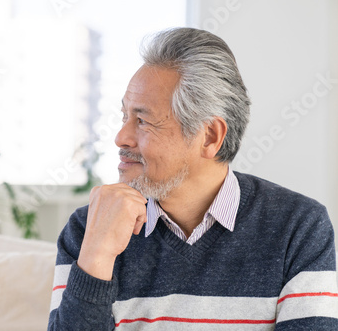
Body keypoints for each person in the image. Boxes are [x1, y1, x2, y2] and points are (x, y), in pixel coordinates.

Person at [47, 27, 338, 330]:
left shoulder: (298, 227)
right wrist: (97, 254)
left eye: (143, 121)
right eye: (125, 117)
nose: (121, 137)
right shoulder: (89, 229)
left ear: (210, 136)